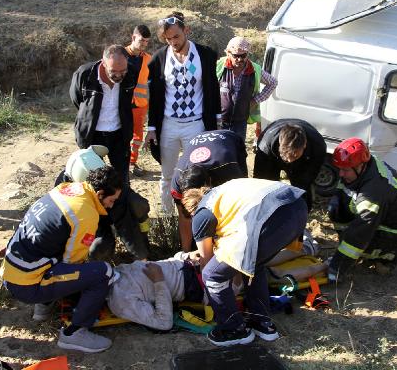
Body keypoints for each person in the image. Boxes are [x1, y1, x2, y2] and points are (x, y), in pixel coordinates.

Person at [1, 166, 124, 353]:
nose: (111, 205)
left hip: (12, 271)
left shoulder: (67, 189)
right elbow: (72, 262)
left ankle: (42, 308)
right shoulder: (86, 214)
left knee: (57, 250)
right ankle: (75, 333)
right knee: (103, 273)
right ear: (99, 194)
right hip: (28, 284)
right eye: (111, 200)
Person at [182, 178, 308, 346]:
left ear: (192, 211)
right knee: (254, 264)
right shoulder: (223, 193)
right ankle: (262, 323)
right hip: (296, 206)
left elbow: (207, 260)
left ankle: (234, 330)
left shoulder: (201, 215)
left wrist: (212, 297)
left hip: (270, 217)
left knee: (212, 275)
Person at [107, 240, 321, 331]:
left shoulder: (112, 273)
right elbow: (163, 322)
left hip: (189, 266)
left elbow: (161, 266)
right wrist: (159, 281)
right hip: (203, 286)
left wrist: (183, 255)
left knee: (251, 258)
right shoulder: (120, 302)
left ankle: (304, 248)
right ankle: (325, 266)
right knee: (258, 269)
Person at [144, 11, 222, 213]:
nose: (172, 42)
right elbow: (155, 96)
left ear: (186, 30)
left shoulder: (205, 55)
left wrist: (217, 118)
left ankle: (195, 215)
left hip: (196, 124)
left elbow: (213, 89)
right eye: (168, 39)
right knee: (167, 174)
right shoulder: (159, 59)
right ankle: (167, 215)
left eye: (176, 36)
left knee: (197, 173)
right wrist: (152, 127)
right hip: (169, 125)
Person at [324, 138, 397, 282]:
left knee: (361, 243)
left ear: (360, 166)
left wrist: (337, 266)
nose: (341, 174)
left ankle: (391, 254)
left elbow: (361, 231)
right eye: (339, 169)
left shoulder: (374, 191)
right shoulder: (359, 168)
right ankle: (353, 251)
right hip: (378, 213)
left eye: (345, 170)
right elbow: (343, 191)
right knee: (336, 210)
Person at [56, 145, 150, 260]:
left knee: (138, 205)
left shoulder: (110, 182)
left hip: (106, 207)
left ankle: (145, 247)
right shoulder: (64, 190)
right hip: (91, 221)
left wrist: (142, 259)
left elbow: (125, 223)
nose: (111, 204)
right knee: (100, 247)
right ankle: (98, 267)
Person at [170, 130, 248, 252]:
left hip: (230, 140)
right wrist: (185, 253)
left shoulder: (228, 170)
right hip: (198, 139)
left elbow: (241, 206)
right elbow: (184, 218)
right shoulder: (176, 182)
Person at [70, 44, 137, 183]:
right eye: (113, 71)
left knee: (122, 181)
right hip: (92, 136)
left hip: (120, 135)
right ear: (103, 63)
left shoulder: (131, 73)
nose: (118, 75)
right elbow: (77, 100)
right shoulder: (85, 74)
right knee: (93, 182)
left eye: (122, 71)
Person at [253, 118, 327, 211]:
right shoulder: (265, 145)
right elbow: (260, 179)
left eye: (294, 156)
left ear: (304, 145)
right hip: (272, 157)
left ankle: (302, 212)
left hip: (304, 159)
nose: (289, 160)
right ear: (280, 144)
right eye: (286, 156)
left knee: (302, 189)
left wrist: (299, 190)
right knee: (266, 188)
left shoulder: (317, 146)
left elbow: (309, 176)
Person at [216, 37, 277, 141]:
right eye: (236, 56)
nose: (239, 59)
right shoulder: (219, 66)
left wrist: (255, 100)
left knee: (237, 150)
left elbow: (273, 82)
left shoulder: (254, 69)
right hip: (219, 120)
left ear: (247, 54)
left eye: (243, 56)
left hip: (240, 121)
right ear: (228, 53)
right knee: (218, 149)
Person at [125, 25, 152, 177]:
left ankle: (132, 163)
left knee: (137, 137)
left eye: (146, 42)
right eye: (141, 40)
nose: (143, 44)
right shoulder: (120, 54)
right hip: (121, 104)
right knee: (121, 135)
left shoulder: (148, 59)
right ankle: (121, 163)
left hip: (140, 105)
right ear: (133, 37)